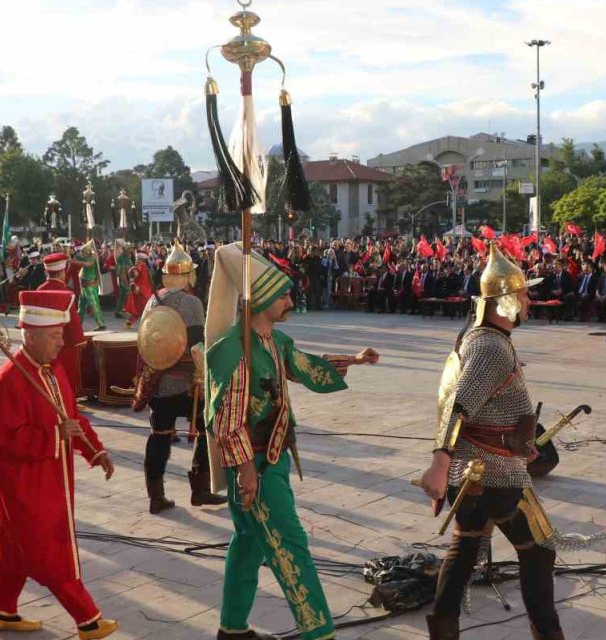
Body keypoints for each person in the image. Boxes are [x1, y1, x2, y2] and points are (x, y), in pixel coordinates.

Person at [203, 242, 378, 640]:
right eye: (282, 294)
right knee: (291, 544)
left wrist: (352, 359)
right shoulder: (236, 349)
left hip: (273, 455)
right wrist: (246, 470)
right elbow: (226, 419)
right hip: (256, 465)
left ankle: (232, 629)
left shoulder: (273, 341)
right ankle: (319, 633)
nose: (289, 298)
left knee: (249, 542)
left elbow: (303, 366)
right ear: (261, 299)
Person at [418, 247, 564, 640]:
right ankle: (548, 634)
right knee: (540, 548)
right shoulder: (490, 347)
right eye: (523, 295)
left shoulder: (485, 338)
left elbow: (485, 409)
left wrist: (520, 442)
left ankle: (444, 631)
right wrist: (439, 461)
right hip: (492, 473)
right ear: (505, 301)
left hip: (479, 470)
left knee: (465, 547)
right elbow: (459, 405)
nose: (528, 301)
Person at [0, 289, 119, 640]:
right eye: (54, 336)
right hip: (24, 485)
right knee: (49, 551)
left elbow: (71, 419)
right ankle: (87, 619)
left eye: (61, 335)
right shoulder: (8, 380)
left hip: (54, 477)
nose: (61, 343)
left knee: (16, 550)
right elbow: (7, 440)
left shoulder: (54, 371)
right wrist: (53, 433)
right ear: (30, 335)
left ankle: (1, 609)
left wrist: (94, 449)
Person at [133, 241, 227, 514]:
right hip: (187, 384)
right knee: (207, 427)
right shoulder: (192, 303)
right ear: (187, 275)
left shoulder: (153, 299)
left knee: (159, 434)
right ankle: (200, 489)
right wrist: (205, 375)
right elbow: (197, 346)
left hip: (158, 380)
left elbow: (146, 339)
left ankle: (156, 496)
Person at [39, 252, 88, 397]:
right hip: (64, 342)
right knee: (66, 372)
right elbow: (73, 321)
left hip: (42, 341)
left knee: (46, 371)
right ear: (61, 272)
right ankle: (68, 401)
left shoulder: (39, 290)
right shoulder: (66, 293)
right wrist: (80, 340)